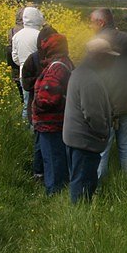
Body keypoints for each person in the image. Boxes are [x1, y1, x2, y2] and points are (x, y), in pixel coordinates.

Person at [63, 38, 116, 203]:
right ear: (99, 57)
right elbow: (93, 114)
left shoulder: (80, 72)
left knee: (79, 179)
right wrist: (104, 132)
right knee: (83, 184)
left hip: (75, 138)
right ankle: (78, 218)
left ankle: (79, 214)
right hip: (84, 140)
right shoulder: (89, 79)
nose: (111, 61)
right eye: (109, 57)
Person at [89, 8, 127, 179]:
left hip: (107, 102)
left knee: (102, 149)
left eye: (92, 22)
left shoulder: (97, 42)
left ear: (101, 22)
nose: (90, 26)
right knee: (126, 145)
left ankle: (96, 189)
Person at [31, 32, 74, 195]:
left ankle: (54, 192)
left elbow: (48, 98)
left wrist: (37, 106)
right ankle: (61, 189)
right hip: (61, 121)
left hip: (50, 122)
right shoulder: (66, 63)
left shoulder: (56, 68)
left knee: (52, 159)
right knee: (59, 157)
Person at [20, 24, 57, 180]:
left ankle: (43, 173)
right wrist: (41, 82)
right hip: (39, 107)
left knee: (43, 143)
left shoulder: (55, 59)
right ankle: (39, 172)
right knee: (40, 143)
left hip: (41, 108)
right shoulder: (34, 59)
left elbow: (25, 84)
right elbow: (26, 84)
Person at [11, 6, 45, 122]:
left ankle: (25, 130)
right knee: (38, 103)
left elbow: (14, 57)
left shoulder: (17, 36)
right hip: (39, 74)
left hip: (23, 73)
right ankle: (36, 129)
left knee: (26, 103)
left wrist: (23, 64)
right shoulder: (39, 35)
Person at [5, 7, 25, 101]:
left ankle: (22, 100)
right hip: (25, 60)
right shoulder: (27, 30)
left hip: (14, 61)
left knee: (18, 82)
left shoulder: (11, 31)